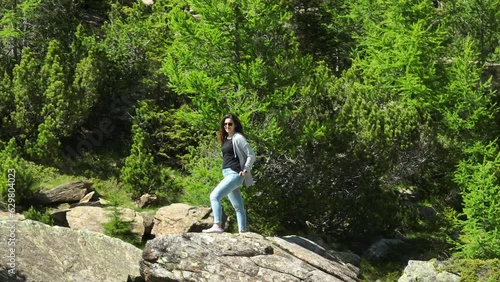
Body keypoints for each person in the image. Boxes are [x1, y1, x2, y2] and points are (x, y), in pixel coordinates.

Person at [202, 114, 256, 233]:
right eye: (225, 124)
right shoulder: (226, 139)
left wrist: (246, 169)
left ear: (235, 125)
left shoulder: (238, 138)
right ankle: (243, 231)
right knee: (238, 207)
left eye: (230, 124)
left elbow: (251, 154)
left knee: (214, 196)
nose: (227, 126)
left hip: (234, 174)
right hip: (227, 174)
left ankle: (217, 225)